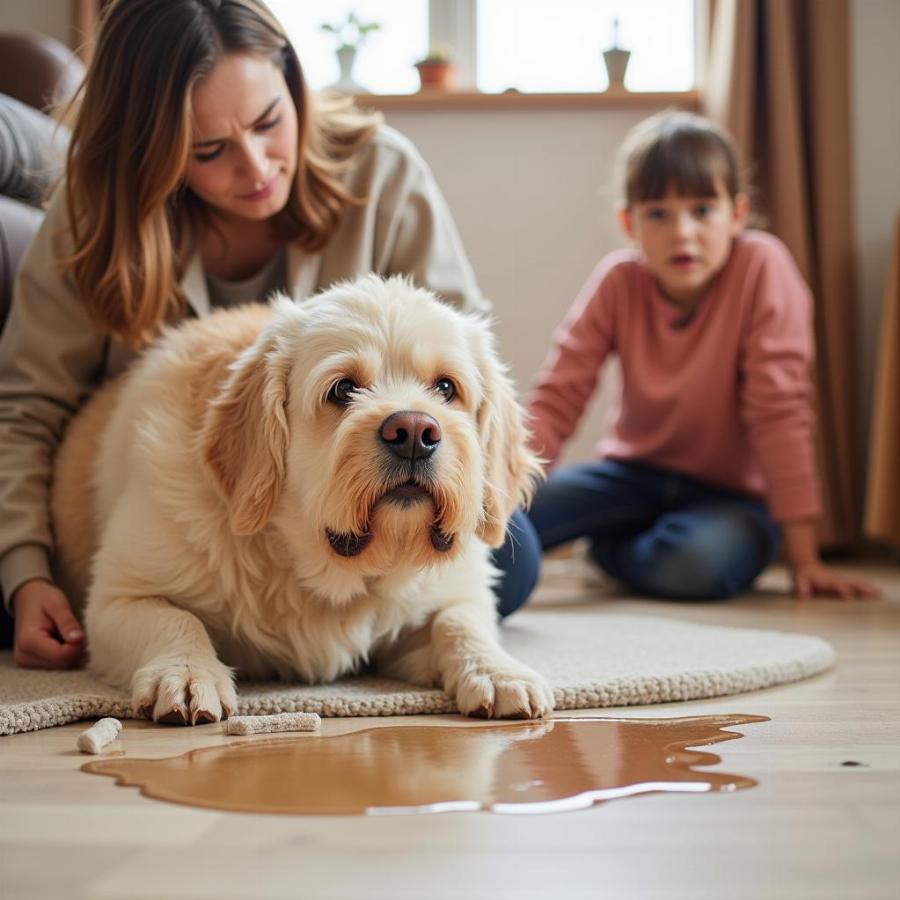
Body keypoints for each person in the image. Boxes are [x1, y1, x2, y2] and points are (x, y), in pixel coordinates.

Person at [0, 0, 540, 668]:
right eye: (210, 149)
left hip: (359, 504)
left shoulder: (385, 172)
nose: (255, 167)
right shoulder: (95, 213)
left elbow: (462, 373)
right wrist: (25, 572)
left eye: (268, 122)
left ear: (294, 87)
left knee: (515, 562)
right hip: (199, 491)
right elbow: (25, 408)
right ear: (153, 148)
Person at [524, 110, 879, 603]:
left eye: (702, 210)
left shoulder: (763, 268)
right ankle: (609, 544)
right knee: (506, 521)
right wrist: (504, 489)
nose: (682, 233)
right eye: (658, 214)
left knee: (693, 564)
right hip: (629, 477)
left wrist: (806, 559)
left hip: (729, 497)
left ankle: (607, 552)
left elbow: (781, 412)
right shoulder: (618, 280)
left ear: (736, 214)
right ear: (630, 224)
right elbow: (559, 395)